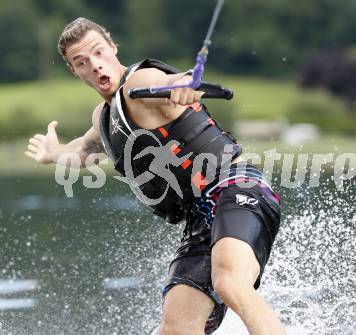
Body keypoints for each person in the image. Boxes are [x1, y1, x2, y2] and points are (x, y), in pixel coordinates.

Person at [25, 17, 285, 335]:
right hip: (200, 219)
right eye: (82, 62)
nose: (94, 65)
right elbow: (83, 150)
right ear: (74, 71)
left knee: (230, 281)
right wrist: (53, 153)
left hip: (235, 186)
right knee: (174, 330)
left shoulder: (140, 82)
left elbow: (168, 84)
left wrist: (182, 87)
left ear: (112, 48)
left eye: (98, 53)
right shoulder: (105, 117)